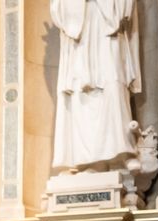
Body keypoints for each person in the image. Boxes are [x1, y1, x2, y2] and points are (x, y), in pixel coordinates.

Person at [50, 0, 141, 171]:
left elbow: (124, 9)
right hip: (80, 32)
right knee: (80, 92)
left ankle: (123, 153)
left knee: (113, 83)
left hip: (107, 28)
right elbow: (58, 8)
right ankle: (86, 159)